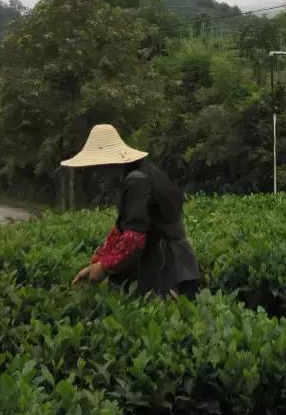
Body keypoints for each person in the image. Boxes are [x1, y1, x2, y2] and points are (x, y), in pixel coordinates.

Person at [67, 124, 201, 298]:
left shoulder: (137, 181)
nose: (98, 173)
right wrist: (98, 262)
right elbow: (121, 230)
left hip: (168, 268)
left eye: (100, 166)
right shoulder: (139, 174)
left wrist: (104, 267)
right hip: (168, 263)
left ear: (111, 162)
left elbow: (133, 239)